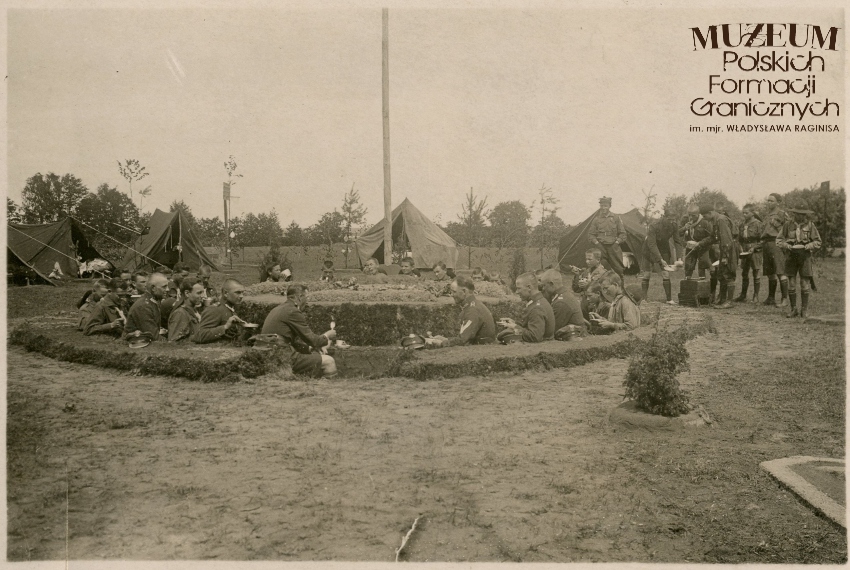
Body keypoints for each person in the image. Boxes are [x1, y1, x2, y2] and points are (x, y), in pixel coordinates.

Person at [261, 284, 338, 377]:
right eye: (306, 298)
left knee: (315, 356)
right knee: (329, 361)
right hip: (280, 357)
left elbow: (284, 340)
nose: (307, 302)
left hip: (267, 355)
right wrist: (327, 336)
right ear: (300, 297)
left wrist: (309, 348)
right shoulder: (293, 311)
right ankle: (328, 385)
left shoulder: (277, 309)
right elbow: (313, 340)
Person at [424, 276, 497, 348]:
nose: (451, 295)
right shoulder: (473, 305)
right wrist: (446, 339)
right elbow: (464, 337)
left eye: (454, 292)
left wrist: (442, 343)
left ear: (464, 291)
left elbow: (463, 340)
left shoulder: (472, 310)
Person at [778, 208, 821, 318]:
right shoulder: (787, 225)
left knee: (804, 282)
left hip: (805, 256)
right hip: (791, 256)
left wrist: (809, 245)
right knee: (791, 282)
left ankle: (804, 310)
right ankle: (793, 309)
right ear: (794, 214)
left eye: (803, 214)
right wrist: (786, 245)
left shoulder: (810, 225)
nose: (801, 216)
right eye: (799, 214)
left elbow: (818, 241)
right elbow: (779, 240)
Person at [693, 204, 738, 309]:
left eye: (705, 216)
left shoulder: (721, 220)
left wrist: (725, 256)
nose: (705, 219)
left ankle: (729, 301)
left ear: (710, 213)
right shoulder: (716, 221)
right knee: (721, 274)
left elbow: (726, 240)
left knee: (728, 273)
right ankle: (722, 299)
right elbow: (713, 237)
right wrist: (700, 243)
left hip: (729, 248)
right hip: (725, 248)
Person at [639, 210, 684, 304]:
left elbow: (677, 241)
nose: (671, 222)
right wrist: (660, 259)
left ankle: (669, 299)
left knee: (666, 274)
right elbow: (652, 244)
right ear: (664, 217)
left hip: (664, 249)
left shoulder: (674, 226)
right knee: (647, 274)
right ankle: (643, 299)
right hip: (649, 250)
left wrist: (679, 258)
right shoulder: (654, 226)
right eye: (669, 219)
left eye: (673, 220)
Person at [499, 272, 555, 342]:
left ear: (529, 287)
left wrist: (515, 327)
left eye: (519, 288)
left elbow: (534, 337)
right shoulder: (538, 302)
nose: (517, 292)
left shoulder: (537, 308)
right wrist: (514, 323)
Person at [761, 192, 790, 307]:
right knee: (770, 272)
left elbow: (789, 229)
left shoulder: (781, 214)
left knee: (780, 271)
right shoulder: (767, 215)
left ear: (778, 202)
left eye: (771, 201)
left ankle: (784, 299)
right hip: (767, 243)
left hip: (776, 243)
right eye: (768, 200)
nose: (769, 203)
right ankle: (771, 298)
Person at [193, 279, 245, 343]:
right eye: (238, 292)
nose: (242, 296)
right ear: (226, 293)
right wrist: (225, 327)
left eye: (242, 292)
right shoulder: (215, 309)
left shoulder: (230, 308)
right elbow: (199, 336)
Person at [587, 196, 627, 278]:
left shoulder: (615, 218)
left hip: (613, 246)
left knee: (618, 268)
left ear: (609, 206)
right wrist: (597, 244)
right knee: (600, 268)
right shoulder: (596, 219)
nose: (603, 208)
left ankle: (620, 284)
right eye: (601, 206)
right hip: (601, 246)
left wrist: (617, 243)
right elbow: (590, 234)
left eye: (605, 206)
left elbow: (623, 234)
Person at [539, 269, 584, 337]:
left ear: (551, 284)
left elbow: (550, 331)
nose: (543, 289)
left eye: (544, 285)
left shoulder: (561, 302)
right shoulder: (563, 295)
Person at [124, 272, 168, 340]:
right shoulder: (143, 306)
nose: (167, 289)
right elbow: (153, 336)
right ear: (153, 288)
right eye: (164, 287)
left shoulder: (152, 301)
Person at [734, 203, 765, 302]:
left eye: (746, 213)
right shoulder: (742, 224)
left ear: (752, 213)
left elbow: (763, 240)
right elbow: (739, 239)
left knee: (756, 271)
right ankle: (743, 295)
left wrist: (754, 247)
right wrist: (740, 247)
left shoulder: (758, 224)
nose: (744, 215)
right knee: (744, 272)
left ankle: (755, 296)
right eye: (743, 213)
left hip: (755, 250)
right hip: (745, 249)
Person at [681, 204, 713, 280]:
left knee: (702, 264)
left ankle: (702, 282)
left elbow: (711, 237)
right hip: (690, 247)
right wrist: (684, 228)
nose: (691, 217)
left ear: (698, 214)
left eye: (693, 215)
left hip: (702, 247)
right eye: (689, 215)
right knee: (688, 265)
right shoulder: (685, 220)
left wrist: (700, 243)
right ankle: (687, 283)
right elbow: (677, 233)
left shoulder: (705, 221)